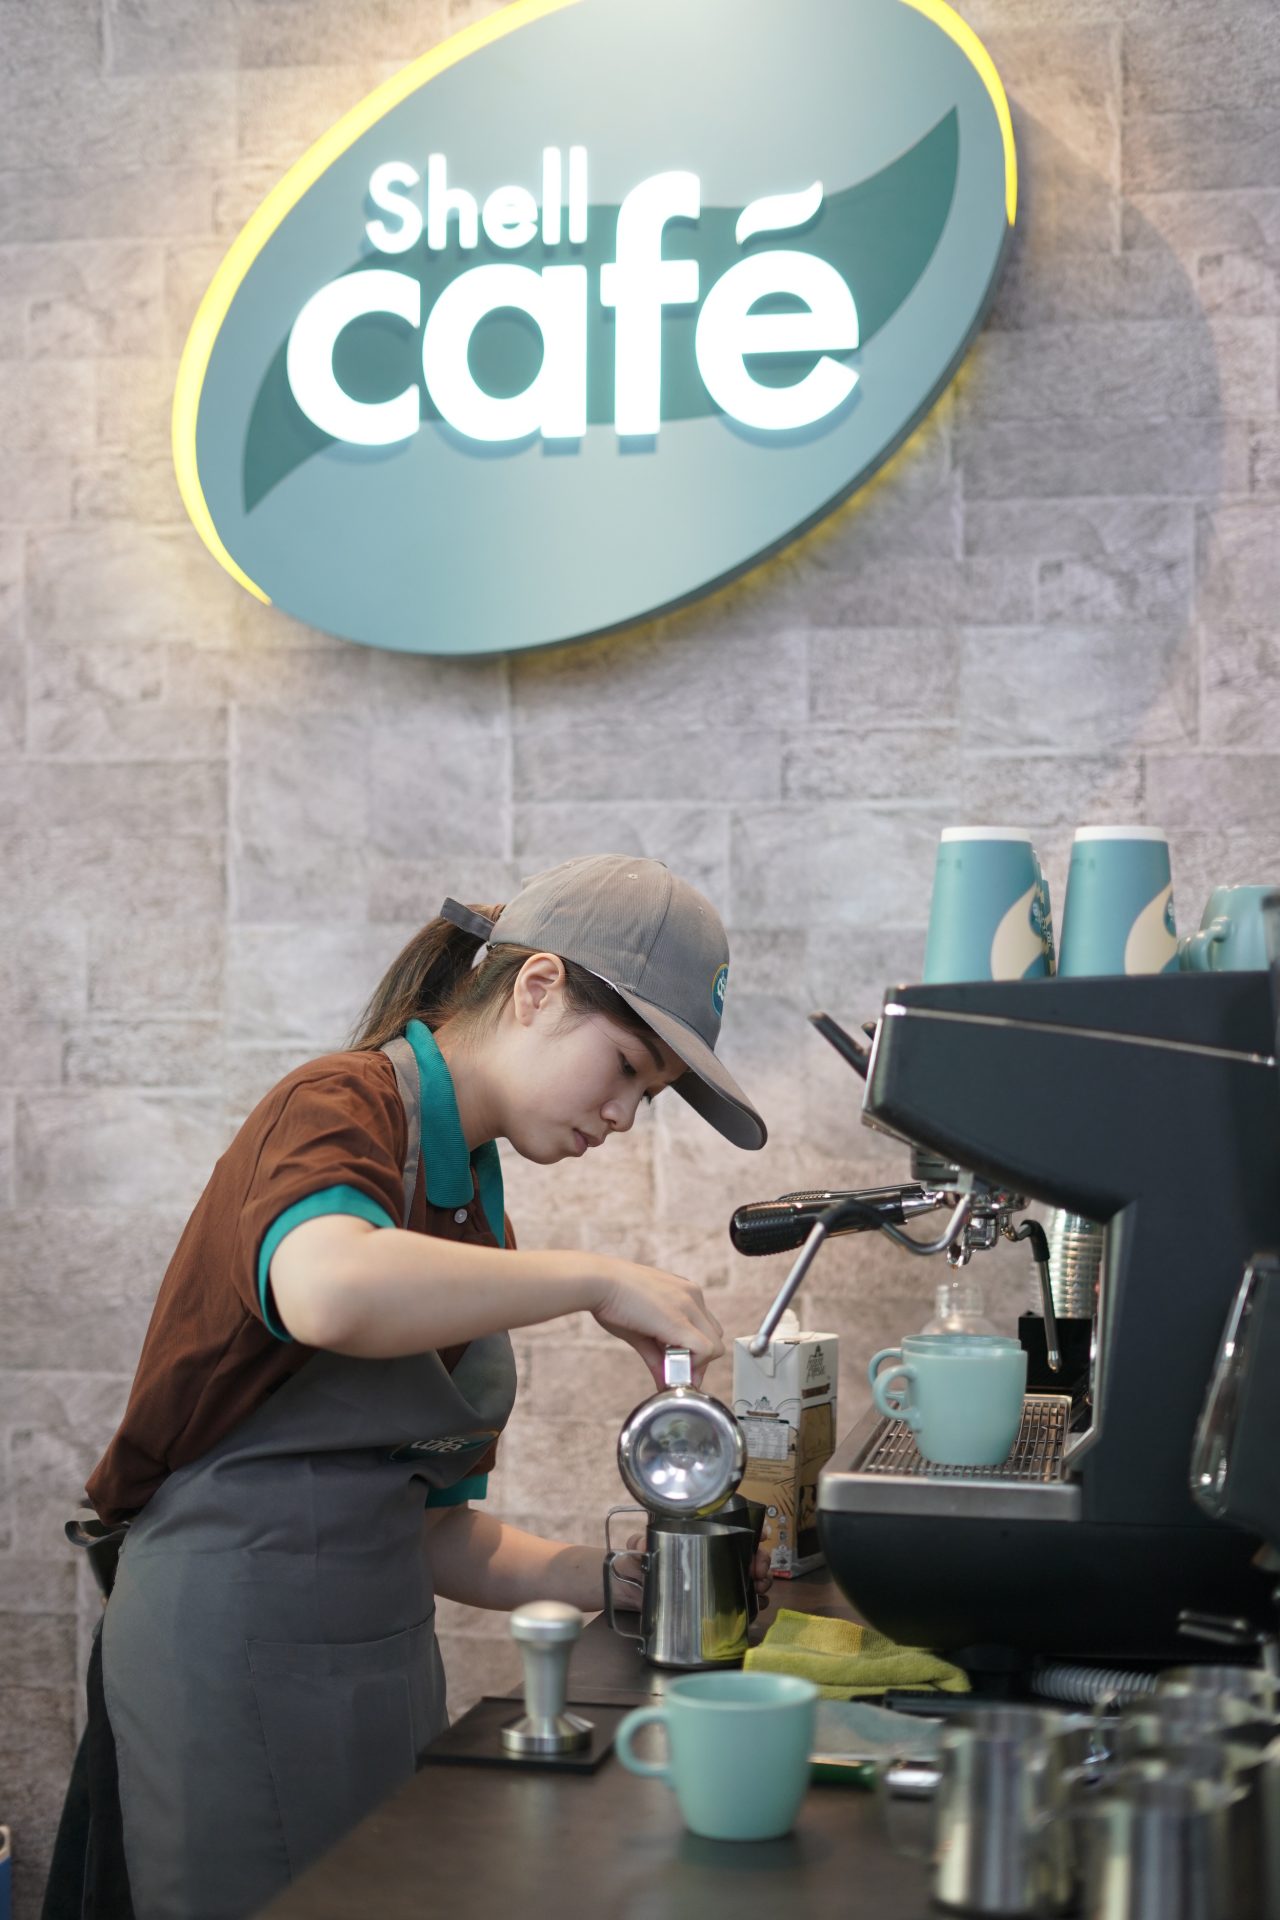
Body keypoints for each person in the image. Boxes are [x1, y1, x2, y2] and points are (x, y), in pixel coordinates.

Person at [47, 854, 769, 1920]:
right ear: (535, 990)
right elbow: (328, 1289)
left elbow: (429, 1531)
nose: (621, 1115)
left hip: (379, 1661)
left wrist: (613, 1579)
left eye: (646, 1097)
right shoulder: (336, 1105)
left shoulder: (472, 1211)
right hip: (229, 1648)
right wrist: (593, 1276)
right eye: (623, 1067)